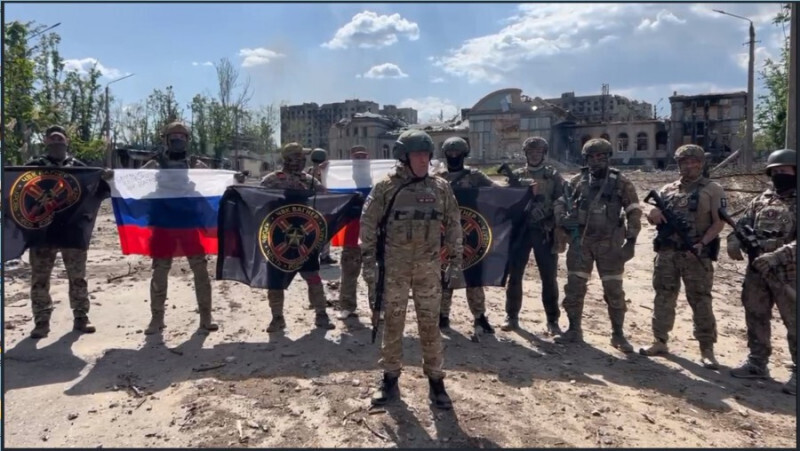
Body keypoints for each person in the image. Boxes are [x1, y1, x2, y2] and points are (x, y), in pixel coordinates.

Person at [360, 130, 462, 409]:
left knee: (430, 325)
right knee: (392, 323)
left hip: (429, 269)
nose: (423, 160)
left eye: (426, 154)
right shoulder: (385, 187)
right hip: (394, 270)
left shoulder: (440, 188)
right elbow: (367, 228)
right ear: (404, 157)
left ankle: (436, 381)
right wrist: (369, 269)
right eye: (417, 154)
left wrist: (455, 263)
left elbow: (454, 224)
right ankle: (390, 379)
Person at [639, 145, 726, 369]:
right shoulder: (668, 189)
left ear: (702, 163)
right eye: (684, 162)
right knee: (663, 297)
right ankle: (660, 341)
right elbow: (652, 215)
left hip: (695, 253)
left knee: (700, 300)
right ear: (678, 164)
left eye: (694, 161)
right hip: (667, 253)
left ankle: (707, 349)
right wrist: (652, 213)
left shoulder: (712, 189)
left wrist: (702, 243)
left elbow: (718, 223)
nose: (689, 166)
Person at [553, 138, 642, 352]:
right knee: (574, 288)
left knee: (614, 290)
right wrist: (563, 219)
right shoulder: (577, 181)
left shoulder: (621, 182)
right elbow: (560, 203)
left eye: (601, 156)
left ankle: (618, 334)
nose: (596, 160)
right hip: (581, 243)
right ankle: (574, 329)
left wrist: (631, 242)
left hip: (609, 244)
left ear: (608, 157)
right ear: (586, 159)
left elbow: (634, 211)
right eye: (592, 157)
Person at [138, 121, 224, 335]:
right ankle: (156, 318)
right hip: (163, 222)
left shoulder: (195, 164)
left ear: (187, 140)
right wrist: (113, 178)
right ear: (166, 140)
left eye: (182, 136)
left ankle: (206, 316)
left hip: (188, 221)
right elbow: (135, 181)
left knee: (200, 269)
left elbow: (214, 182)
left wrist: (233, 179)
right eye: (174, 136)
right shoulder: (155, 164)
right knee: (160, 270)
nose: (178, 140)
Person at [26, 125, 111, 338]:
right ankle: (41, 321)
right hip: (42, 232)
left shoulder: (79, 168)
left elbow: (96, 191)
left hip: (72, 231)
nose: (57, 142)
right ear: (45, 141)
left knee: (78, 277)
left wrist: (105, 178)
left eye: (60, 138)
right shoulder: (33, 167)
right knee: (39, 278)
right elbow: (19, 193)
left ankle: (81, 316)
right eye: (52, 138)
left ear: (67, 141)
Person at [728, 148, 796, 395]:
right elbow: (742, 225)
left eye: (784, 170)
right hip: (757, 271)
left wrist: (777, 256)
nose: (779, 175)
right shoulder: (762, 200)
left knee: (794, 322)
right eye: (775, 171)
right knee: (756, 314)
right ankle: (757, 362)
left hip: (789, 273)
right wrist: (733, 241)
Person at [260, 142, 335, 332]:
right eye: (300, 157)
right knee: (275, 278)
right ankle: (277, 318)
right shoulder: (272, 180)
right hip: (278, 237)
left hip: (305, 236)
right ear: (290, 158)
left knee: (312, 275)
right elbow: (257, 201)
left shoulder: (309, 180)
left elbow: (325, 199)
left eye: (303, 157)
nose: (303, 160)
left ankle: (321, 314)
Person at [501, 136, 565, 335]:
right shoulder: (517, 175)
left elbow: (563, 199)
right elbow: (506, 201)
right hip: (521, 231)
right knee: (515, 275)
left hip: (544, 231)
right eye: (531, 152)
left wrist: (548, 212)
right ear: (526, 154)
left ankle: (552, 320)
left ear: (544, 154)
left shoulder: (552, 175)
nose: (535, 155)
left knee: (548, 277)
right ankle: (511, 316)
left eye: (538, 152)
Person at [433, 136, 496, 335]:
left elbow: (497, 193)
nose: (453, 156)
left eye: (457, 153)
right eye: (450, 153)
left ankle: (479, 316)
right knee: (445, 274)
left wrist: (522, 188)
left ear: (464, 154)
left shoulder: (475, 176)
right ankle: (442, 315)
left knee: (473, 275)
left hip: (472, 233)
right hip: (445, 234)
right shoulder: (438, 178)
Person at [337, 145, 370, 320]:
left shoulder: (379, 179)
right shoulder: (342, 180)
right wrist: (323, 172)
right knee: (349, 273)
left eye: (363, 157)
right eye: (357, 157)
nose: (360, 160)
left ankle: (377, 307)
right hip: (351, 234)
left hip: (373, 235)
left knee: (375, 274)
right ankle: (347, 306)